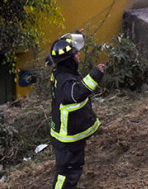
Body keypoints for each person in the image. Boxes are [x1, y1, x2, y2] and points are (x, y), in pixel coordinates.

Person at [48, 33, 106, 189]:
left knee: (73, 170)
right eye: (75, 53)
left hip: (70, 134)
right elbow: (77, 93)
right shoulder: (65, 80)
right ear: (68, 59)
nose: (78, 54)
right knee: (65, 174)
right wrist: (95, 74)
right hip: (67, 137)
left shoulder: (63, 72)